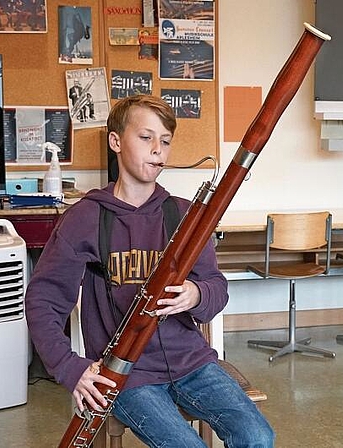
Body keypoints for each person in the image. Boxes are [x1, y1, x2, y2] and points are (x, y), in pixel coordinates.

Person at [25, 95, 274, 448]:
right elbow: (43, 300)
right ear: (116, 141)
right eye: (146, 138)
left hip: (193, 363)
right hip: (127, 374)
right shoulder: (84, 218)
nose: (158, 150)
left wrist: (196, 294)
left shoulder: (186, 215)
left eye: (166, 141)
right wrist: (70, 367)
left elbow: (217, 287)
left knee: (258, 436)